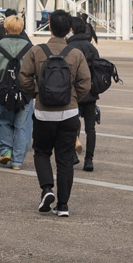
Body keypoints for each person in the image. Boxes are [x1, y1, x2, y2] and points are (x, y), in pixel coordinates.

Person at [22, 11, 90, 215]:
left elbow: (24, 78)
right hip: (69, 114)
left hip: (43, 113)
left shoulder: (36, 51)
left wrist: (39, 93)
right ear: (69, 29)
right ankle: (63, 206)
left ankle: (46, 188)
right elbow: (85, 82)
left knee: (41, 152)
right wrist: (72, 97)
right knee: (65, 158)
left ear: (49, 26)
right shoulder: (75, 53)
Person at [0, 15, 35, 169]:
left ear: (5, 28)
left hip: (4, 91)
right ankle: (17, 160)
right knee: (23, 125)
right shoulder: (30, 48)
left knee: (4, 121)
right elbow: (36, 71)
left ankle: (6, 150)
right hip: (25, 92)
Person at [62, 12, 105, 170]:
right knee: (90, 128)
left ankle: (73, 154)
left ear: (71, 29)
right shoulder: (91, 48)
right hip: (90, 91)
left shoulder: (68, 47)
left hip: (72, 92)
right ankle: (89, 160)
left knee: (70, 124)